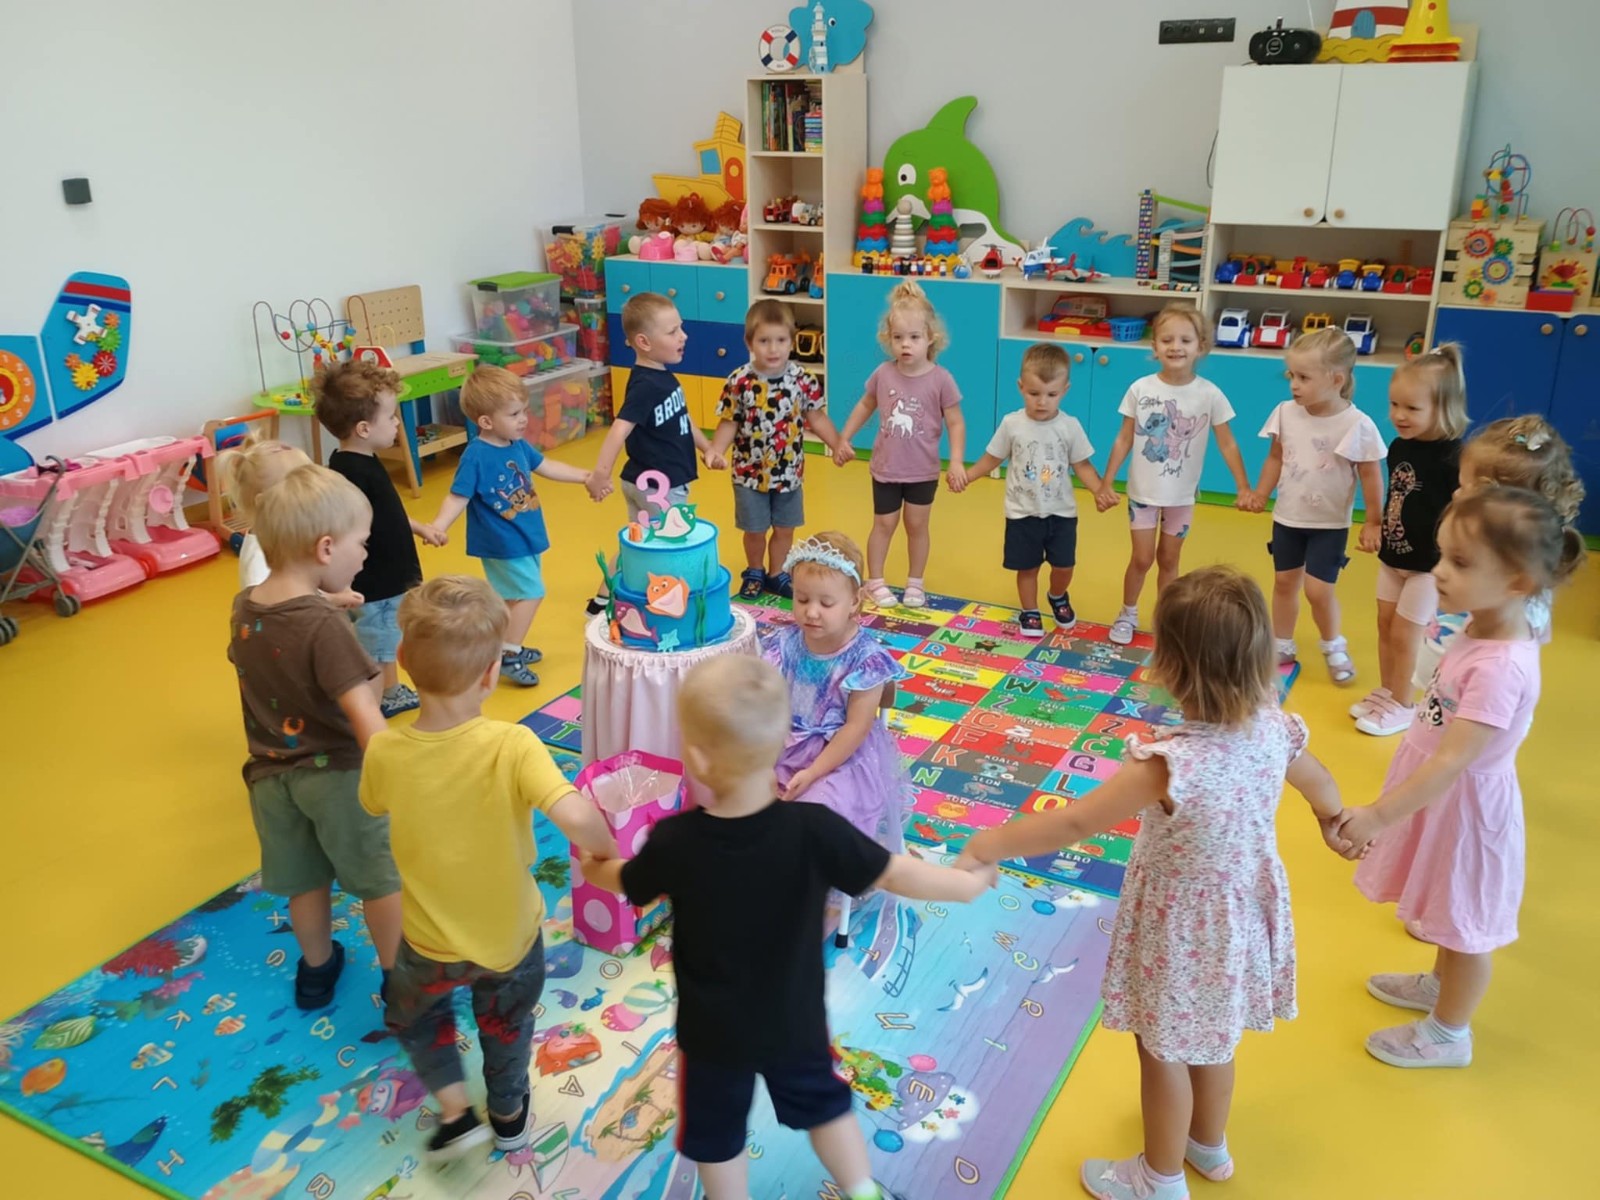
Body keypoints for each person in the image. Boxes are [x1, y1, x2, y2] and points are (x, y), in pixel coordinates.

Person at [959, 566, 1345, 1200]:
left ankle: (1158, 1178)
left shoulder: (1169, 765)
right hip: (1239, 915)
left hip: (1179, 928)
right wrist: (1336, 821)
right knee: (1214, 1038)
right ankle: (1207, 1144)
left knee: (1161, 1048)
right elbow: (1319, 781)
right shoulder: (1274, 728)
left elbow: (1074, 823)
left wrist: (988, 843)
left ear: (1172, 666)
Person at [578, 654, 994, 1200]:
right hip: (793, 1020)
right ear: (779, 744)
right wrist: (963, 885)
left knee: (716, 1133)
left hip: (712, 1031)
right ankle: (861, 1190)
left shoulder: (676, 842)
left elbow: (627, 880)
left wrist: (593, 866)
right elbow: (894, 871)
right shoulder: (815, 829)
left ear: (696, 758)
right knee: (825, 1106)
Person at [361, 576, 619, 1158]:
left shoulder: (384, 752)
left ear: (401, 658)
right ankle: (507, 1113)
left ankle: (456, 1111)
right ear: (489, 675)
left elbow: (373, 805)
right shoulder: (513, 744)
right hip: (509, 939)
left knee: (416, 1015)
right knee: (505, 1027)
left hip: (427, 941)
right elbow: (576, 815)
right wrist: (604, 850)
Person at [1336, 487, 1585, 1069]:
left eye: (1462, 563)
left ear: (1519, 582)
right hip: (1442, 797)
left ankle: (1450, 1034)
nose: (1440, 571)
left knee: (1467, 923)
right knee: (1447, 909)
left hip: (1468, 809)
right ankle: (1439, 986)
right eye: (1443, 555)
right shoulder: (1483, 623)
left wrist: (1377, 816)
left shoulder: (1502, 667)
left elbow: (1453, 760)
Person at [226, 464, 402, 1009]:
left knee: (306, 881)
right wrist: (400, 774)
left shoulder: (245, 606)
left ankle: (317, 972)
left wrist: (326, 605)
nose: (365, 555)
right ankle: (399, 979)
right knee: (379, 880)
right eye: (361, 543)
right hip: (338, 776)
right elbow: (363, 712)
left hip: (270, 777)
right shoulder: (324, 629)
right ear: (326, 548)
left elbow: (284, 632)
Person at [1097, 303, 1255, 645]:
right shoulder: (1141, 389)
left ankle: (1165, 619)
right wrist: (1106, 482)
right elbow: (1124, 438)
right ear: (1155, 346)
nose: (1175, 347)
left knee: (1169, 560)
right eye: (1166, 339)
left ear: (1201, 346)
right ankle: (1127, 613)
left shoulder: (1209, 394)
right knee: (1142, 559)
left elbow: (1227, 443)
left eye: (1185, 340)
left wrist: (1243, 486)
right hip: (1142, 494)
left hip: (1181, 497)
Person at [428, 365, 594, 688]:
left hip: (525, 535)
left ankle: (497, 647)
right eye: (514, 414)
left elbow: (547, 466)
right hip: (501, 542)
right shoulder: (476, 456)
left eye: (524, 411)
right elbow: (457, 496)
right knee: (531, 592)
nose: (523, 420)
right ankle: (509, 653)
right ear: (486, 422)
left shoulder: (516, 444)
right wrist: (439, 525)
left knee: (511, 598)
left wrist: (584, 476)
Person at [1248, 326, 1385, 684]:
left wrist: (1373, 521)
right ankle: (1282, 643)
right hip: (1288, 517)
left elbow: (1371, 475)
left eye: (1304, 377)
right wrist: (1261, 493)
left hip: (1329, 524)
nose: (1294, 385)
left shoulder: (1357, 424)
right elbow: (1275, 457)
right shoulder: (1286, 412)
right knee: (1284, 582)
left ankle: (1333, 644)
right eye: (1291, 376)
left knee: (1318, 590)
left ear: (1336, 379)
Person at [950, 342, 1115, 636]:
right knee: (1027, 567)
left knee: (1064, 566)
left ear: (1065, 390)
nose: (1042, 402)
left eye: (1051, 395)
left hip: (1061, 513)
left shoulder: (1070, 426)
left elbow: (1083, 465)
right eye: (1034, 393)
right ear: (1021, 387)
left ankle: (1057, 596)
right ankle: (1029, 610)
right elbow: (992, 458)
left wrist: (1100, 491)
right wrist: (967, 476)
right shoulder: (1012, 424)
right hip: (1022, 513)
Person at [761, 531, 910, 852]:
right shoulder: (785, 644)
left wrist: (813, 772)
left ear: (854, 602)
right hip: (782, 748)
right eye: (802, 599)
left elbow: (856, 727)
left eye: (826, 603)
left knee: (816, 814)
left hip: (842, 759)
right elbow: (765, 708)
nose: (811, 612)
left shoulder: (865, 659)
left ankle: (817, 875)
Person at [1412, 413, 1585, 688]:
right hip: (1443, 684)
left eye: (1465, 489)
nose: (1455, 494)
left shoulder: (1513, 604)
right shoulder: (1486, 568)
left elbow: (1500, 674)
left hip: (1464, 690)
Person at [314, 359, 445, 717]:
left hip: (385, 578)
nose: (397, 423)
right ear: (363, 428)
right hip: (378, 582)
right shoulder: (353, 473)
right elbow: (348, 527)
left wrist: (419, 527)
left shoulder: (359, 461)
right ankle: (376, 701)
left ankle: (389, 690)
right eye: (391, 417)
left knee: (385, 638)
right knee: (379, 643)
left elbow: (385, 513)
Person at [1350, 346, 1468, 736]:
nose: (1399, 415)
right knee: (1385, 625)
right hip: (1394, 556)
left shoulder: (1455, 457)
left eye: (1412, 408)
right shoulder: (1400, 446)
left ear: (1444, 408)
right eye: (1394, 404)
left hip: (1428, 565)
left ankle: (1403, 703)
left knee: (1406, 633)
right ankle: (1389, 692)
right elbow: (1396, 497)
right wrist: (1376, 525)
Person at [584, 292, 724, 612]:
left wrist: (707, 448)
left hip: (642, 482)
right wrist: (600, 475)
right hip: (661, 486)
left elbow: (682, 417)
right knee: (670, 545)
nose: (683, 336)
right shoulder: (646, 385)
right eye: (673, 331)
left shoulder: (661, 378)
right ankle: (668, 603)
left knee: (639, 540)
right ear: (644, 342)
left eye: (681, 328)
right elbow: (619, 429)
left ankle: (601, 601)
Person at [707, 299, 850, 600]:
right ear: (749, 342)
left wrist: (837, 443)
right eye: (764, 341)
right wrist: (716, 450)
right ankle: (755, 570)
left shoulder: (802, 379)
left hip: (789, 474)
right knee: (755, 529)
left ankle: (776, 573)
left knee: (785, 528)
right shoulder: (740, 381)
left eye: (781, 340)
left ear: (792, 341)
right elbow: (729, 421)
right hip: (749, 475)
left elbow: (816, 418)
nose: (773, 349)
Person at [835, 281, 966, 610]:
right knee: (884, 524)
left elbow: (956, 422)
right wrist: (843, 438)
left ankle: (915, 582)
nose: (905, 344)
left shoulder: (941, 379)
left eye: (914, 337)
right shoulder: (883, 373)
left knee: (917, 526)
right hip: (886, 469)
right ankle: (875, 581)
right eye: (898, 338)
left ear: (931, 338)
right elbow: (865, 405)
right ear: (888, 338)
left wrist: (957, 461)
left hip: (923, 471)